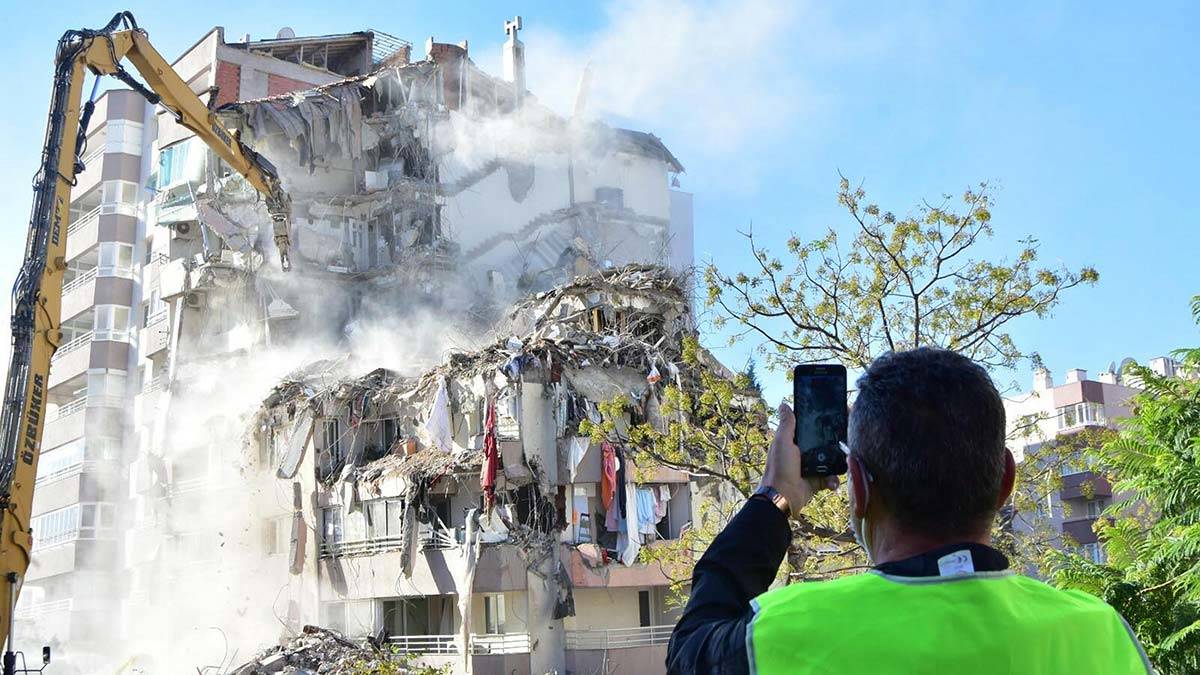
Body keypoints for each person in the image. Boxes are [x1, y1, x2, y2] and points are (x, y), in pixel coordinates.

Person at [666, 348, 1151, 674]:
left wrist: (775, 498)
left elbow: (689, 650)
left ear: (858, 488)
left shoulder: (784, 634)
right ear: (1006, 480)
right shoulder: (1102, 634)